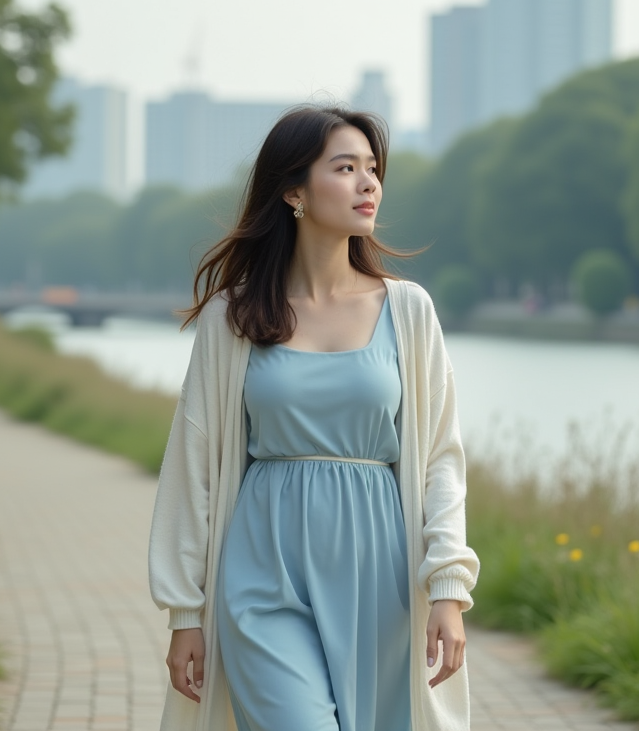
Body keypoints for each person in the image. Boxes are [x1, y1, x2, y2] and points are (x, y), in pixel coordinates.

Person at [148, 105, 480, 731]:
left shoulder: (408, 311)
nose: (368, 184)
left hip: (380, 570)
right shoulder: (233, 318)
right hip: (262, 567)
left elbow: (440, 458)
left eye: (373, 169)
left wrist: (447, 587)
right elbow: (192, 464)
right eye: (346, 167)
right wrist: (184, 613)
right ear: (294, 191)